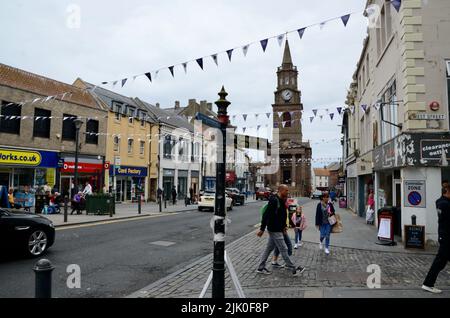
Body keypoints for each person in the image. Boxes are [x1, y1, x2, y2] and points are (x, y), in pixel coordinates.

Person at [256, 184, 306, 276]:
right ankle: (293, 268)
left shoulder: (281, 200)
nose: (288, 192)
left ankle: (260, 267)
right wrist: (262, 229)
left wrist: (286, 226)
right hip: (274, 229)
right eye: (286, 190)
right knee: (284, 248)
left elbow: (283, 215)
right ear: (280, 190)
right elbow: (266, 215)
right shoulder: (274, 200)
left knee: (269, 248)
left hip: (278, 229)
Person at [422, 186, 450, 294]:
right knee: (439, 262)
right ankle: (428, 283)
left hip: (444, 236)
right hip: (447, 237)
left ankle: (428, 283)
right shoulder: (445, 204)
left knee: (440, 262)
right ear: (446, 192)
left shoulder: (440, 202)